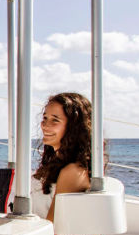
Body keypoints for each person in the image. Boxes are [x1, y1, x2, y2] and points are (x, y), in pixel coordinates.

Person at [32, 93, 94, 222]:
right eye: (45, 118)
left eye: (55, 120)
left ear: (74, 127)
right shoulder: (58, 164)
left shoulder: (73, 172)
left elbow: (54, 229)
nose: (45, 125)